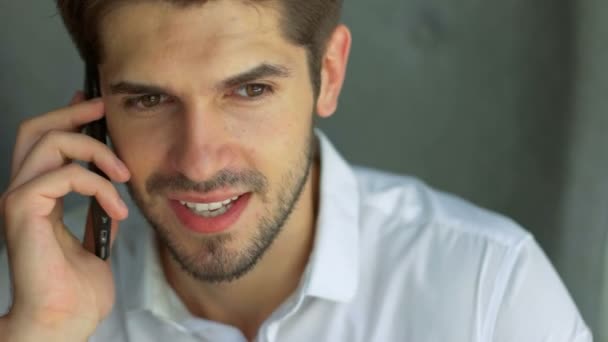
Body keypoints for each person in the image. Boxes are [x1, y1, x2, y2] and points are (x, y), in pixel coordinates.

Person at [0, 0, 593, 341]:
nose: (200, 161)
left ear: (328, 74)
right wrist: (42, 331)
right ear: (94, 107)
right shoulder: (28, 293)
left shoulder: (487, 291)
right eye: (150, 101)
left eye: (250, 90)